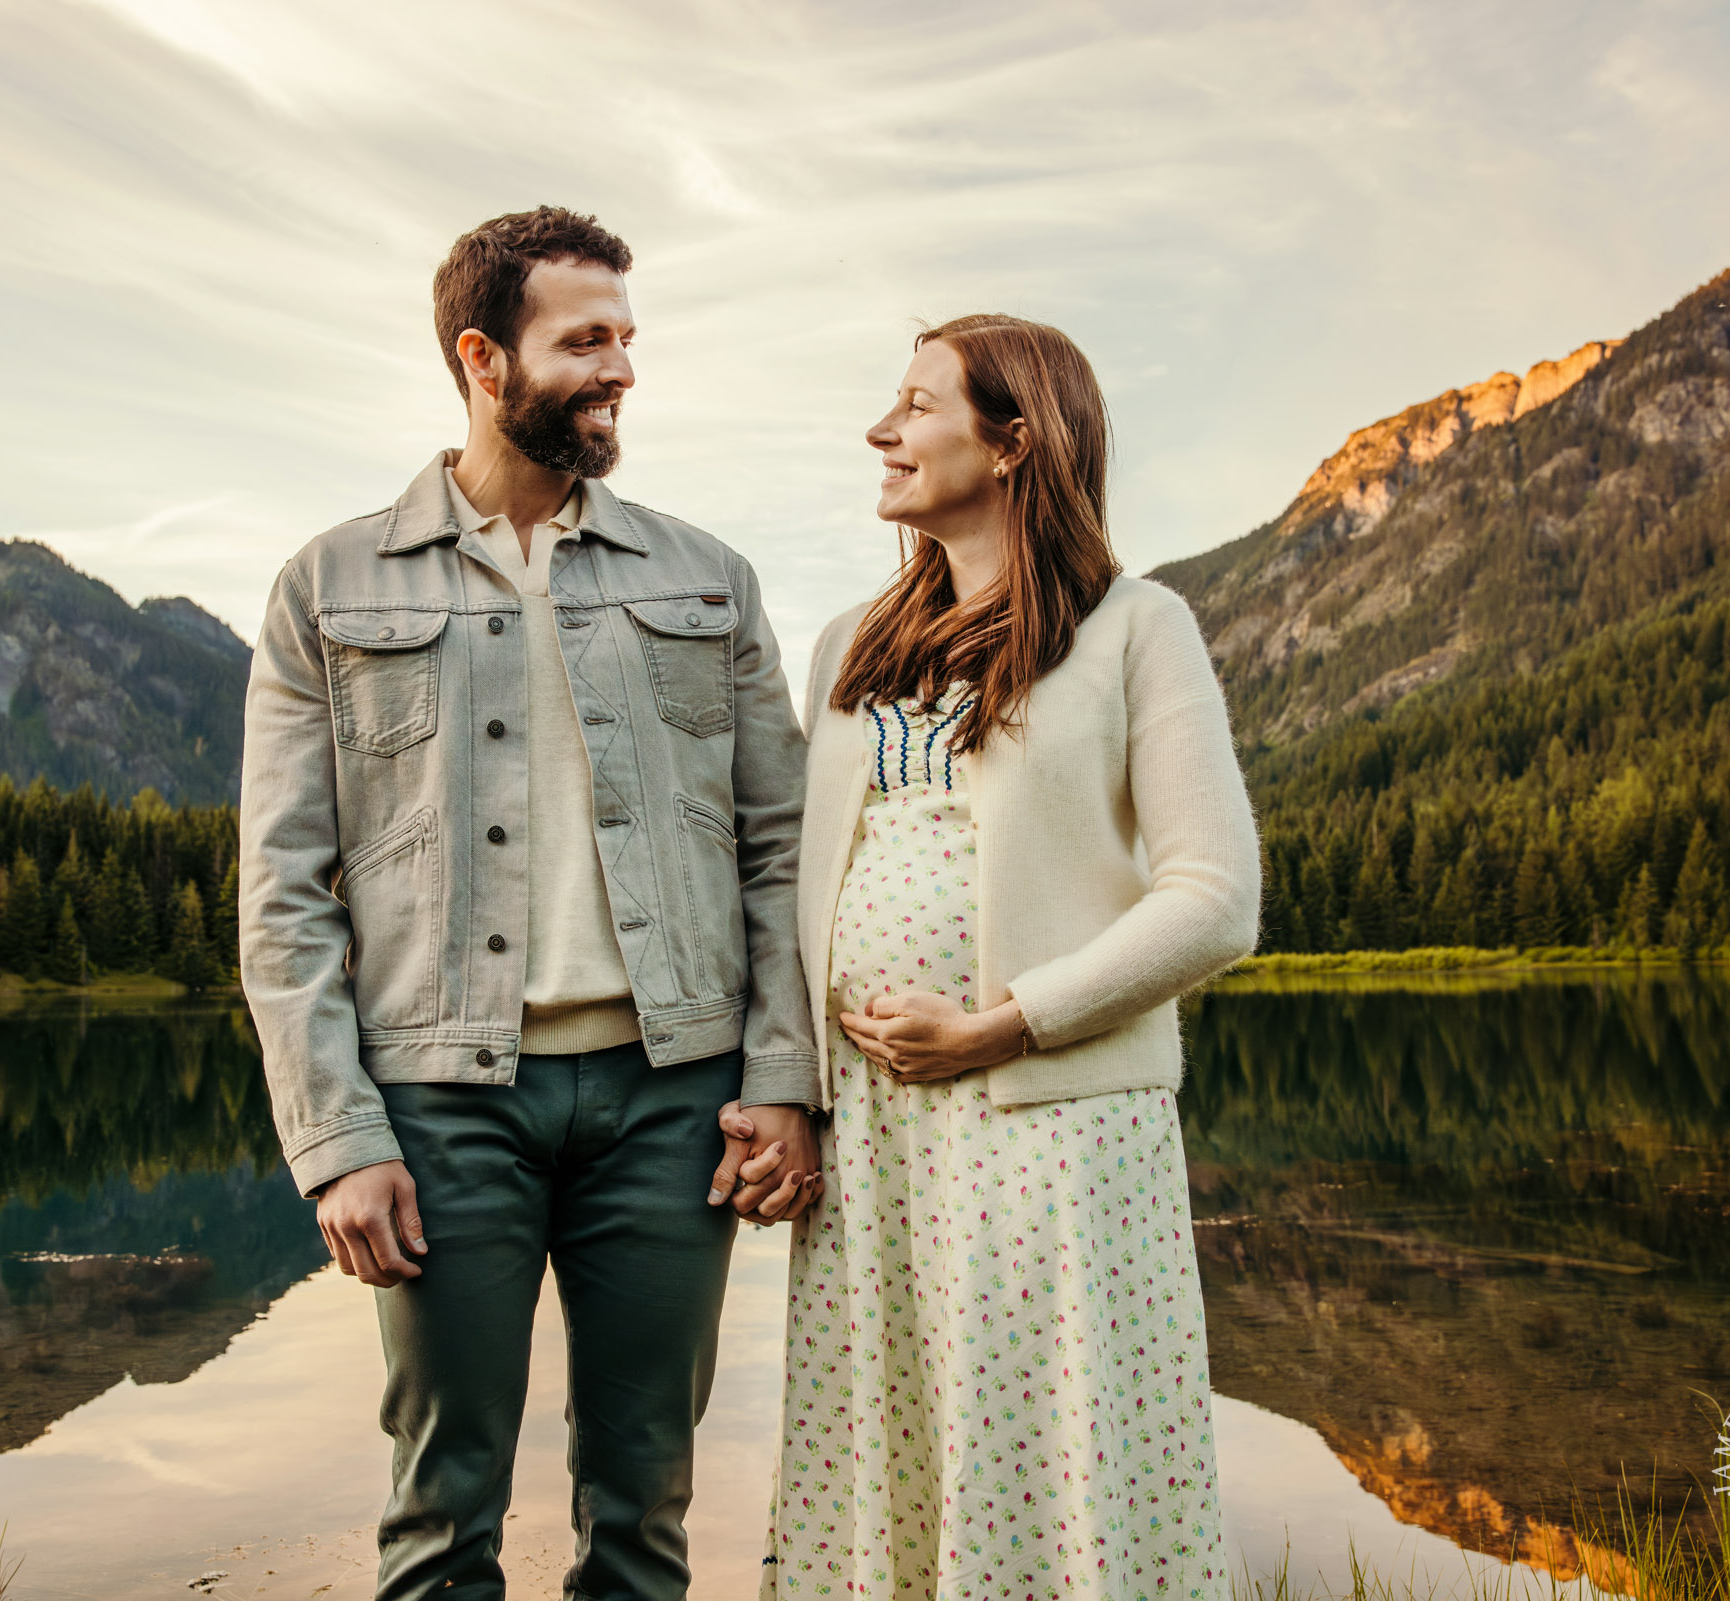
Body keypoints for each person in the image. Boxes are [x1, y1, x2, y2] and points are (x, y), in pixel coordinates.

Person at [237, 205, 822, 1601]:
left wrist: (786, 1081)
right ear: (483, 359)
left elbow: (782, 849)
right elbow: (284, 892)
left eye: (629, 337)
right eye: (587, 340)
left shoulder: (708, 577)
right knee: (442, 1515)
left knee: (645, 1510)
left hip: (673, 1100)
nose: (622, 368)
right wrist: (336, 1139)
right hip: (441, 1104)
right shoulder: (329, 585)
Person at [734, 314, 1262, 1599]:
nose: (882, 430)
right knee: (895, 1449)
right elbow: (799, 887)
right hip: (875, 1132)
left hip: (1051, 1120)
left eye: (916, 405)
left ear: (1015, 440)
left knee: (1054, 1455)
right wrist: (797, 1090)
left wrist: (1006, 1021)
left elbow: (1215, 898)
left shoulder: (1138, 627)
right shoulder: (851, 641)